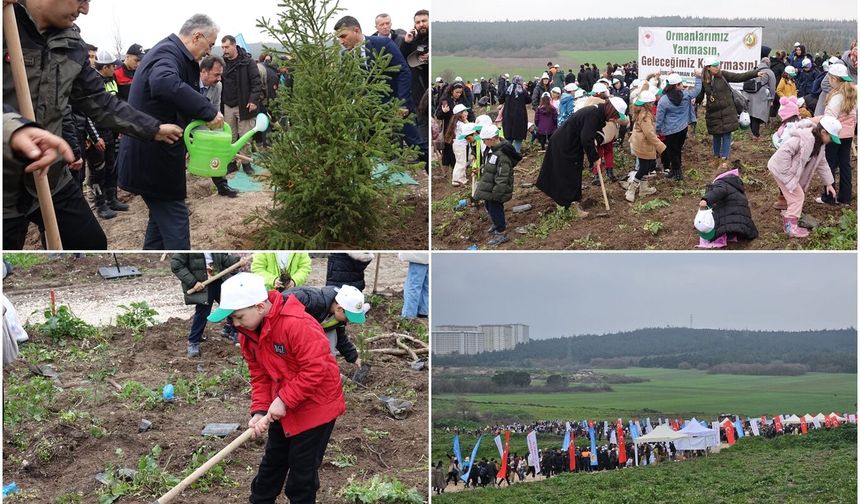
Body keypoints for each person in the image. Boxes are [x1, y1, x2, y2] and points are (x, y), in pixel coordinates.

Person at [3, 0, 182, 250]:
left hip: (50, 178)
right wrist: (13, 131)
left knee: (90, 242)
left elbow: (99, 102)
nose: (85, 9)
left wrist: (152, 128)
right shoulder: (5, 21)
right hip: (5, 187)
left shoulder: (72, 45)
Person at [206, 272, 345, 504]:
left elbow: (317, 368)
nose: (234, 324)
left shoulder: (296, 324)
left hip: (316, 407)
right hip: (284, 404)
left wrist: (284, 400)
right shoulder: (247, 334)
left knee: (302, 472)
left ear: (260, 306)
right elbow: (259, 375)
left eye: (238, 317)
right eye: (231, 319)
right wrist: (260, 410)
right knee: (273, 462)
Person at [118, 14, 224, 250]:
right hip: (152, 159)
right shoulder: (167, 54)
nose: (210, 52)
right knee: (176, 221)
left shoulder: (177, 55)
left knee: (159, 225)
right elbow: (165, 84)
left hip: (158, 157)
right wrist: (207, 111)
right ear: (197, 35)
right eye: (211, 44)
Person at [334, 16, 428, 167]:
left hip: (395, 106)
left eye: (343, 36)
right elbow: (348, 83)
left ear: (356, 30)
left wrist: (401, 103)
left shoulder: (382, 44)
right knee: (363, 147)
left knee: (416, 145)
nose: (341, 41)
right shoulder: (346, 56)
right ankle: (365, 184)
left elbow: (403, 72)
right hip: (366, 111)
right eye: (338, 38)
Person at [536, 97, 628, 215]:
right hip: (565, 144)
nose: (614, 120)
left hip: (569, 143)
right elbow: (586, 139)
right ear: (612, 110)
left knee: (572, 171)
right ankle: (568, 205)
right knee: (568, 173)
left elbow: (590, 133)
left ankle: (567, 202)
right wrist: (595, 157)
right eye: (615, 116)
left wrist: (597, 139)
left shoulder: (597, 112)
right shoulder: (593, 114)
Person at [767, 117, 840, 238]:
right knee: (797, 196)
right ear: (823, 132)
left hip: (786, 171)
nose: (831, 141)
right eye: (831, 138)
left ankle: (789, 213)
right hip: (780, 168)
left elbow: (822, 163)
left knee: (794, 194)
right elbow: (784, 152)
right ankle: (790, 227)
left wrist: (829, 183)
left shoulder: (820, 145)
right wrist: (788, 175)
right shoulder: (803, 138)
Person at [171, 253, 248, 357]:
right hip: (202, 284)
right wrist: (193, 282)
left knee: (231, 306)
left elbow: (224, 258)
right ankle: (193, 341)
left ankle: (233, 331)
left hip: (218, 279)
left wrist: (237, 261)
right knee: (203, 312)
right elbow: (176, 264)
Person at [281, 284, 366, 371]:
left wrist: (353, 357)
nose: (348, 321)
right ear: (339, 309)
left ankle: (326, 368)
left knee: (332, 334)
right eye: (348, 317)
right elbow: (280, 302)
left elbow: (341, 338)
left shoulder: (337, 318)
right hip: (288, 331)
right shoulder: (311, 301)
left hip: (311, 330)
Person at [700, 57, 762, 165]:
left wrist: (755, 73)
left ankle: (724, 158)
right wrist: (694, 100)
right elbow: (700, 95)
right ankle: (716, 157)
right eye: (715, 66)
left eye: (718, 65)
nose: (718, 67)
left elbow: (739, 77)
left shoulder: (723, 75)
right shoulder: (704, 80)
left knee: (726, 135)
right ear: (708, 68)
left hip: (728, 111)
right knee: (716, 135)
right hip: (713, 113)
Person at [87, 50, 127, 220]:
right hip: (98, 133)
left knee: (111, 167)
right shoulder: (92, 82)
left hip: (110, 131)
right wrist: (94, 137)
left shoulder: (111, 80)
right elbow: (87, 111)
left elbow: (114, 105)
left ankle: (112, 199)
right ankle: (100, 203)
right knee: (98, 171)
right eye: (112, 66)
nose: (115, 68)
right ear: (105, 67)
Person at [220, 35, 261, 176]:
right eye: (222, 47)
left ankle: (246, 163)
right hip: (228, 104)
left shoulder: (248, 62)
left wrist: (253, 100)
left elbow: (256, 82)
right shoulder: (223, 63)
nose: (224, 50)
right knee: (229, 136)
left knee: (245, 137)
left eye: (227, 47)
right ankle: (231, 162)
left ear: (234, 45)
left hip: (244, 104)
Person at [474, 125, 521, 246]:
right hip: (491, 185)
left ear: (492, 139)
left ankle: (501, 232)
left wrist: (497, 192)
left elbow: (502, 177)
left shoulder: (502, 155)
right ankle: (496, 223)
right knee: (489, 205)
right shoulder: (495, 150)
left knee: (495, 208)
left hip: (496, 189)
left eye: (484, 140)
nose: (483, 142)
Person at [816, 63, 856, 206]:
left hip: (834, 134)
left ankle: (829, 197)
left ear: (833, 79)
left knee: (829, 164)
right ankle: (845, 197)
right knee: (845, 164)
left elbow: (829, 118)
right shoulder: (852, 93)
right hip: (848, 134)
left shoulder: (836, 97)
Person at [198, 54, 238, 197]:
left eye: (221, 75)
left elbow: (215, 110)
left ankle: (222, 185)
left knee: (216, 151)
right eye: (216, 75)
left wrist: (218, 134)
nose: (219, 79)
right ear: (203, 71)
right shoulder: (190, 83)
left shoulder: (217, 86)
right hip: (185, 125)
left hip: (204, 125)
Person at [696, 162, 758, 248]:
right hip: (742, 224)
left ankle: (725, 235)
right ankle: (733, 234)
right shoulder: (734, 184)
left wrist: (706, 199)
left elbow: (719, 191)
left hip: (732, 222)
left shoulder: (722, 183)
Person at [656, 73, 702, 181]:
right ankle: (675, 171)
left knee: (673, 152)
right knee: (677, 150)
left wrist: (658, 129)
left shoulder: (664, 100)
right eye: (681, 83)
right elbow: (697, 90)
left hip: (670, 131)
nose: (682, 85)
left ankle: (677, 174)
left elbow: (659, 117)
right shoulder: (686, 95)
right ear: (676, 85)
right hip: (682, 128)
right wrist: (698, 77)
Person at [626, 89, 664, 203]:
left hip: (640, 143)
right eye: (652, 103)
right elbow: (649, 134)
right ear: (647, 104)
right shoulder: (645, 116)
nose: (653, 105)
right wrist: (660, 146)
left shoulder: (641, 112)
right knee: (643, 168)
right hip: (643, 145)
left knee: (647, 166)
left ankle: (644, 188)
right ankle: (631, 190)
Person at [435, 82, 473, 171]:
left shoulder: (463, 99)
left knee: (462, 146)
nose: (458, 94)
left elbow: (469, 111)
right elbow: (438, 115)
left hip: (461, 127)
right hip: (450, 127)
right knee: (450, 147)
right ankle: (452, 167)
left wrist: (471, 122)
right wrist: (444, 112)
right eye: (457, 92)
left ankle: (461, 166)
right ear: (452, 91)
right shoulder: (445, 100)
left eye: (460, 92)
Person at [743, 58, 777, 141]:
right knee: (757, 115)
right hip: (761, 96)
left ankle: (754, 133)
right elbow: (772, 87)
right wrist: (772, 98)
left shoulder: (752, 69)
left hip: (749, 95)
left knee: (752, 114)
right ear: (768, 63)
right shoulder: (769, 72)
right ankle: (756, 135)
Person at [499, 75, 530, 153]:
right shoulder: (522, 91)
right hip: (520, 117)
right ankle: (516, 156)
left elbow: (500, 99)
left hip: (508, 117)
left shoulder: (507, 90)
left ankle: (507, 155)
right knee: (518, 139)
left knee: (508, 138)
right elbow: (529, 100)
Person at [447, 104, 471, 186]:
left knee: (462, 162)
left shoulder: (458, 123)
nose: (467, 113)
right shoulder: (460, 125)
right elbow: (469, 128)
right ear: (460, 114)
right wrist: (466, 121)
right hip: (459, 146)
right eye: (465, 111)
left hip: (460, 145)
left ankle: (462, 178)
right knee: (460, 163)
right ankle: (456, 179)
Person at [399, 253, 429, 318]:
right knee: (427, 285)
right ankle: (423, 311)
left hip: (420, 257)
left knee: (414, 285)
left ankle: (408, 315)